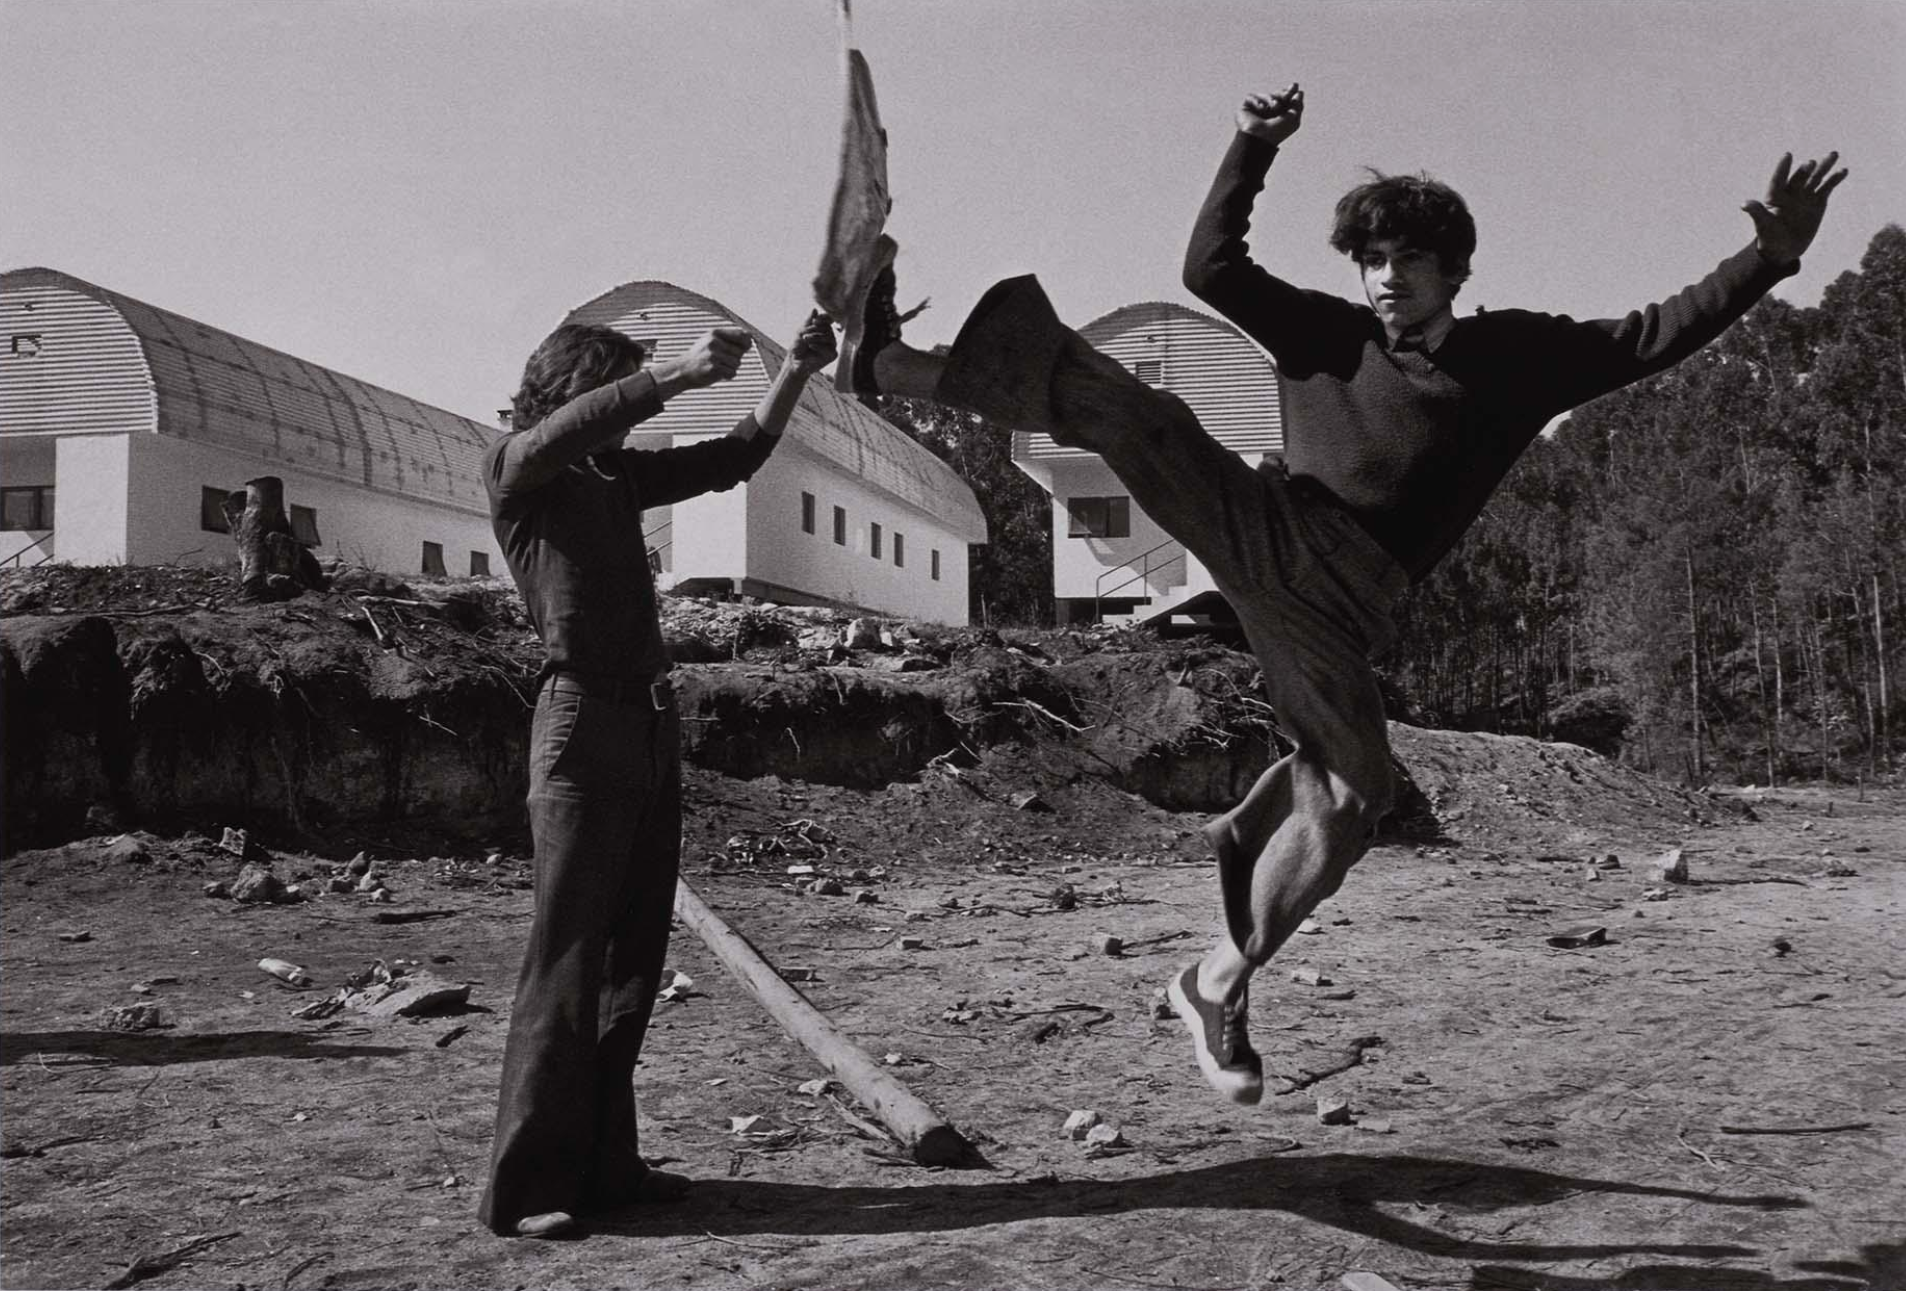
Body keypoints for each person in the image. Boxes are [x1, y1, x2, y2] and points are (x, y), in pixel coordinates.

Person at [835, 83, 1844, 1105]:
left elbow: (1651, 335)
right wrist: (1252, 145)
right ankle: (887, 362)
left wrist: (1767, 259)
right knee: (1148, 419)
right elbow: (1209, 270)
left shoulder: (1517, 357)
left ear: (1454, 270)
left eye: (1409, 259)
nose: (1387, 278)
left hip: (1345, 607)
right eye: (1371, 259)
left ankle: (1213, 981)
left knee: (1357, 793)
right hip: (1275, 529)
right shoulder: (1325, 334)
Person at [479, 309, 837, 1237]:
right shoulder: (519, 466)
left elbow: (736, 458)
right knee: (568, 956)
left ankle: (607, 1165)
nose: (629, 409)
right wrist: (674, 373)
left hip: (645, 721)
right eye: (614, 387)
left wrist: (795, 371)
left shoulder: (612, 476)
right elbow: (562, 434)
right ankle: (528, 1188)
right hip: (579, 721)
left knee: (629, 958)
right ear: (571, 387)